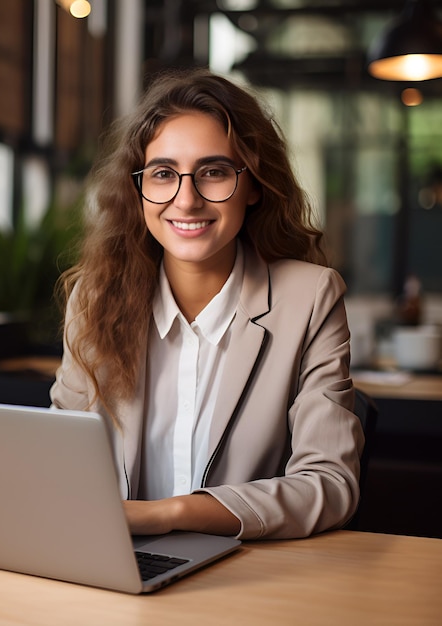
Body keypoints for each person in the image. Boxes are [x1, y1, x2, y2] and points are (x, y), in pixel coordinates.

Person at [50, 68, 364, 540]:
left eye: (213, 172)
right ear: (138, 190)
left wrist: (170, 514)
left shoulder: (311, 298)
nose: (187, 199)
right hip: (111, 566)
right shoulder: (95, 298)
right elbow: (57, 458)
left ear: (254, 184)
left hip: (246, 579)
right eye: (162, 174)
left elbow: (330, 484)